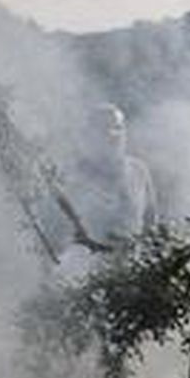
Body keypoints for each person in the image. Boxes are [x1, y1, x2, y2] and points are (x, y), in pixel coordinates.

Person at [54, 102, 158, 278]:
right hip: (86, 273)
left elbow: (151, 221)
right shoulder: (73, 174)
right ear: (89, 134)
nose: (112, 134)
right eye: (103, 128)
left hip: (134, 269)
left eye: (117, 127)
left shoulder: (138, 170)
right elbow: (59, 230)